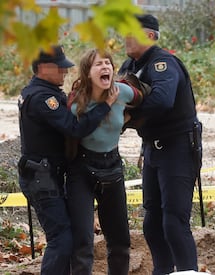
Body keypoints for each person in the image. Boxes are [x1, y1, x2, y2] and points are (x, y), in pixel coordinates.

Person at [17, 45, 118, 275]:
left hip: (47, 175)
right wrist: (105, 106)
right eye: (60, 68)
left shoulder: (36, 91)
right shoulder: (43, 98)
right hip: (42, 178)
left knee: (66, 237)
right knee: (61, 239)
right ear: (43, 68)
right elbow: (74, 128)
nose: (64, 73)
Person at [119, 14, 202, 274]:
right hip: (152, 148)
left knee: (174, 222)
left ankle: (187, 271)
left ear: (151, 36)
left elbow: (163, 101)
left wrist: (129, 116)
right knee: (152, 223)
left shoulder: (163, 63)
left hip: (177, 147)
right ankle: (162, 271)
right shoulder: (129, 66)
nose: (126, 37)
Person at [65, 48, 145, 274]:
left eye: (108, 63)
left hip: (112, 167)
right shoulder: (76, 101)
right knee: (82, 242)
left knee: (120, 241)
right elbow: (75, 132)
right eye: (98, 64)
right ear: (87, 73)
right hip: (82, 169)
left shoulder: (122, 92)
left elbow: (145, 99)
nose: (105, 67)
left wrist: (130, 119)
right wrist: (106, 106)